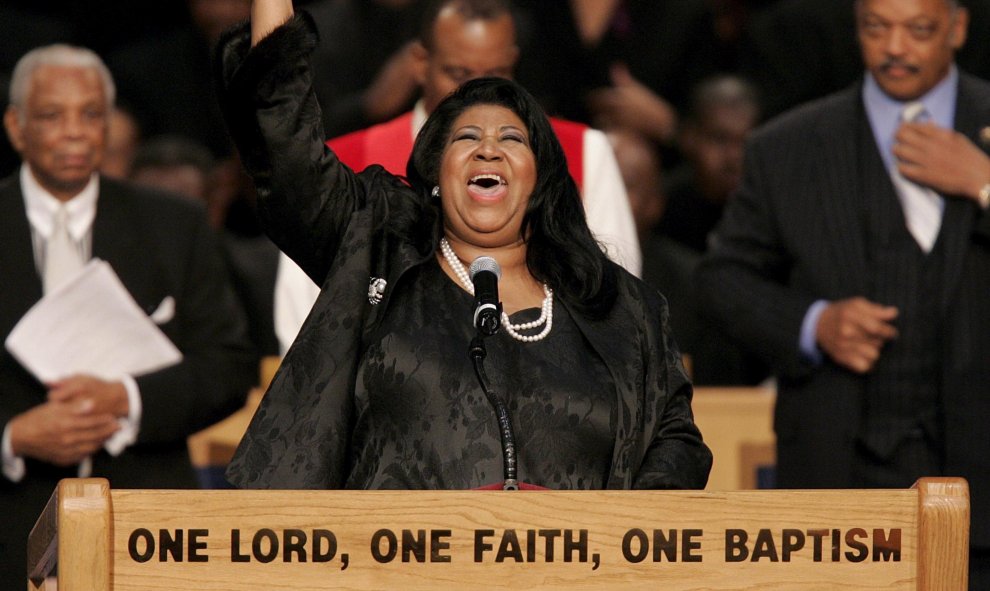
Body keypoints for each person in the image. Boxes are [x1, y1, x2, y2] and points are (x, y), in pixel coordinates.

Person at [218, 0, 712, 493]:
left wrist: (615, 536)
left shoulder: (621, 307)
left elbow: (676, 442)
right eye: (467, 137)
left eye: (513, 139)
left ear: (541, 181)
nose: (489, 148)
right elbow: (289, 155)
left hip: (574, 566)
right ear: (435, 174)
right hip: (392, 564)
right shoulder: (378, 255)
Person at [695, 0, 990, 585]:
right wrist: (812, 323)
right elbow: (720, 279)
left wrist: (984, 183)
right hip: (837, 496)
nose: (896, 48)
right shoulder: (787, 146)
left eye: (919, 30)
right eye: (877, 28)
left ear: (957, 28)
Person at [0, 44, 256, 583]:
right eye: (52, 116)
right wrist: (13, 436)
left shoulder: (175, 224)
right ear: (16, 126)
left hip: (144, 534)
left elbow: (229, 366)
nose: (75, 132)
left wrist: (127, 398)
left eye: (91, 115)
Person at [273, 0, 641, 353]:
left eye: (494, 75)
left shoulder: (582, 153)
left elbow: (612, 296)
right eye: (459, 74)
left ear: (514, 63)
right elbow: (303, 317)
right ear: (420, 62)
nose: (477, 94)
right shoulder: (346, 161)